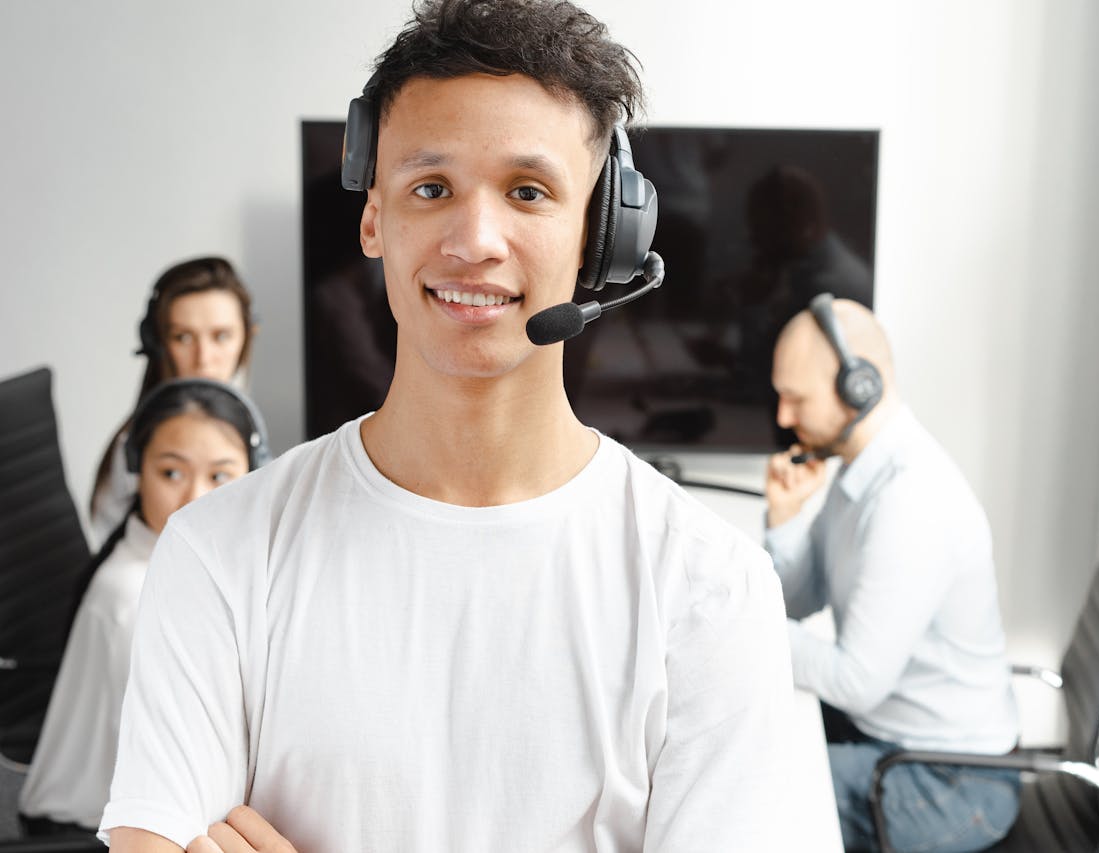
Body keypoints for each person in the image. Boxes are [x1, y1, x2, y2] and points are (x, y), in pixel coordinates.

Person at [101, 2, 793, 851]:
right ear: (372, 218)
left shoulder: (710, 587)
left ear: (599, 235)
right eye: (431, 188)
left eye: (528, 192)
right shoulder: (220, 552)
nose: (474, 240)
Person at [764, 294, 1020, 852]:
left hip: (948, 784)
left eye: (795, 399)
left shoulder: (911, 501)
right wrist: (784, 522)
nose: (783, 418)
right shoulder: (860, 471)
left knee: (746, 784)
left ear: (861, 385)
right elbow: (799, 599)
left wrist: (743, 622)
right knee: (741, 724)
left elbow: (855, 681)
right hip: (888, 738)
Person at [19, 379, 265, 835]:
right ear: (136, 471)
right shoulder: (133, 597)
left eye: (220, 476)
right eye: (171, 473)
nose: (195, 497)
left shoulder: (210, 572)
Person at [89, 256, 258, 545]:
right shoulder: (140, 445)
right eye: (183, 338)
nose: (204, 359)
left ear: (247, 337)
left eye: (221, 336)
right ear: (158, 343)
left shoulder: (244, 424)